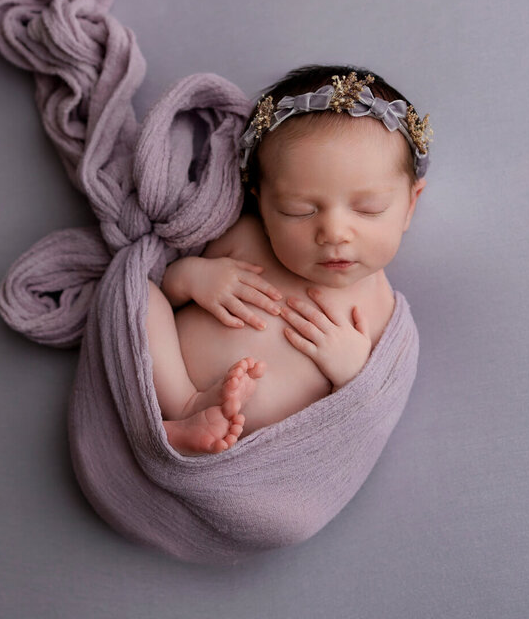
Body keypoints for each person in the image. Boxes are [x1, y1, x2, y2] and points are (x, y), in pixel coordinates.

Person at [147, 65, 432, 454]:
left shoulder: (382, 308)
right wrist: (194, 278)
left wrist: (353, 372)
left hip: (262, 450)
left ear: (410, 205)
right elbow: (169, 289)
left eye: (368, 209)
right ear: (261, 202)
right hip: (170, 385)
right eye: (298, 210)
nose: (334, 233)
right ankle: (182, 408)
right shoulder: (245, 237)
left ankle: (193, 431)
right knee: (141, 299)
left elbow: (372, 409)